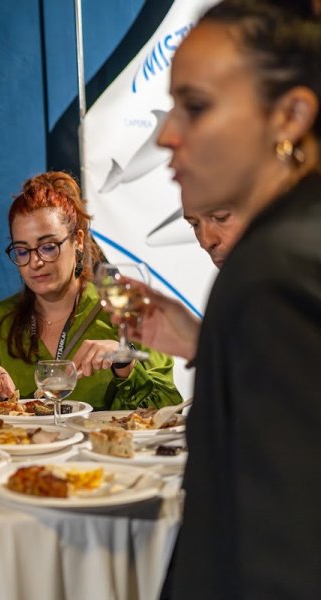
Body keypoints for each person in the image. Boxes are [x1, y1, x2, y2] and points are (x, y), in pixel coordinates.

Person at [137, 1, 321, 597]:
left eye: (196, 106)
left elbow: (284, 547)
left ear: (290, 115)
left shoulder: (272, 272)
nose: (167, 134)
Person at [0, 171, 182, 410]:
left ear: (78, 241)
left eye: (48, 247)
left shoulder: (129, 310)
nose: (35, 262)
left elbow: (168, 409)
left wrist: (125, 363)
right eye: (22, 251)